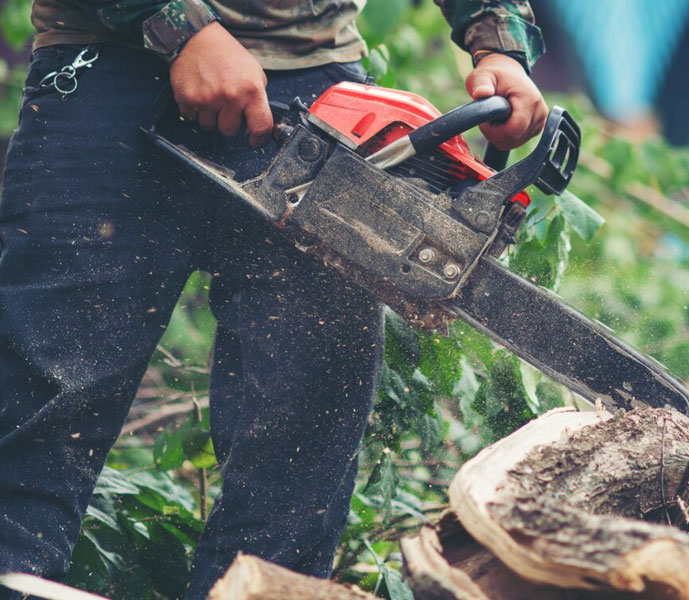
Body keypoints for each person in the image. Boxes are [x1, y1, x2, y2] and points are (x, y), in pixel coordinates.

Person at [0, 1, 548, 598]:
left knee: (298, 460)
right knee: (39, 417)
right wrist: (180, 26)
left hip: (318, 89)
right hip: (110, 68)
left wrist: (498, 43)